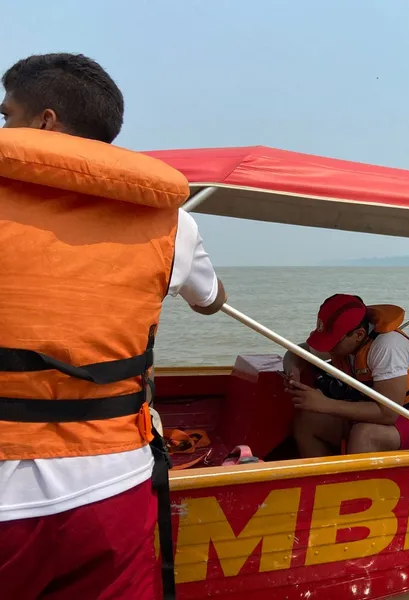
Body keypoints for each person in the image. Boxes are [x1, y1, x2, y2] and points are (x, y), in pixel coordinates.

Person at [0, 53, 225, 600]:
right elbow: (212, 302)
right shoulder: (175, 222)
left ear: (46, 122)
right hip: (112, 484)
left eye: (8, 116)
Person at [284, 294, 409, 456]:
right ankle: (327, 480)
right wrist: (293, 370)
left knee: (364, 435)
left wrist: (324, 404)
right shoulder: (345, 341)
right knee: (307, 423)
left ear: (359, 335)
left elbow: (388, 414)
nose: (328, 347)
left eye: (332, 342)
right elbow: (298, 352)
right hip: (378, 415)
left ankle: (354, 482)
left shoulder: (387, 348)